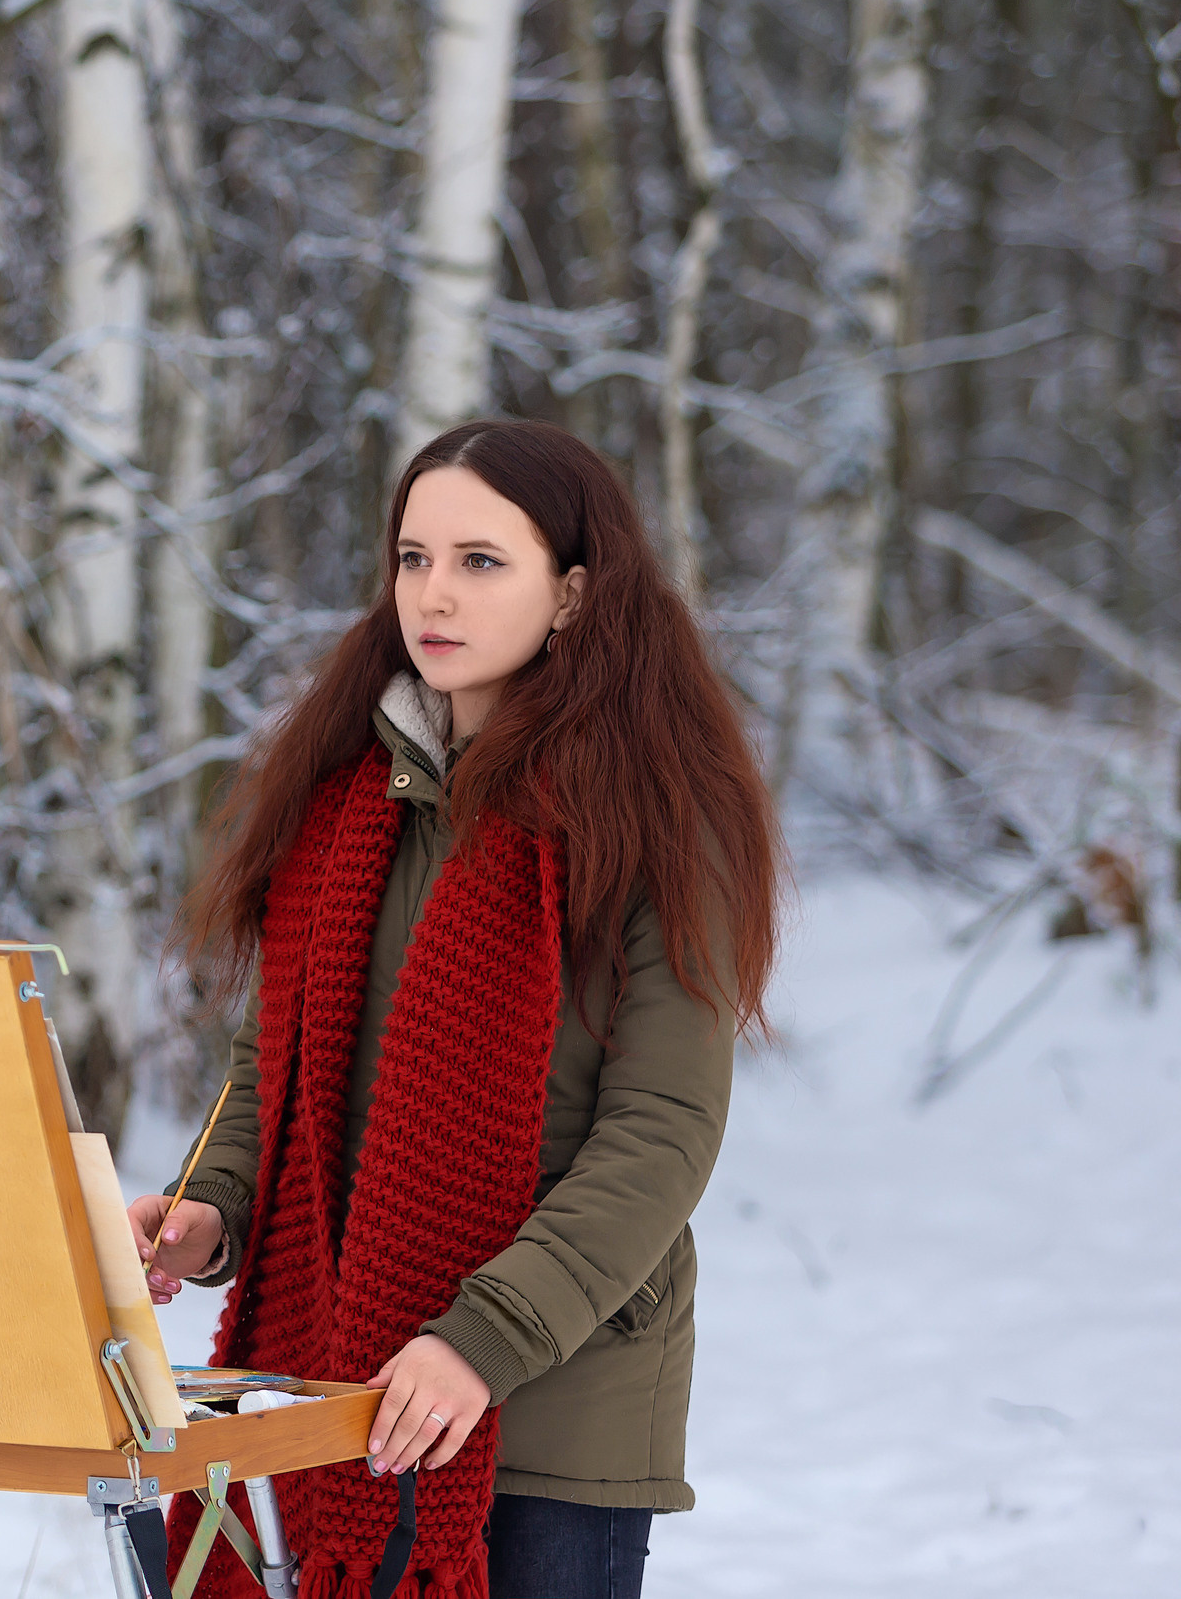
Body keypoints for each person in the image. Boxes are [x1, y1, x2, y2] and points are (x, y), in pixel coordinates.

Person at [129, 420, 782, 1599]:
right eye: (413, 558)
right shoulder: (343, 796)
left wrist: (480, 1340)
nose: (434, 594)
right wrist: (208, 1210)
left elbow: (661, 1136)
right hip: (335, 1396)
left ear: (574, 593)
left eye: (481, 562)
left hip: (556, 1410)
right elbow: (269, 1060)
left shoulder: (653, 823)